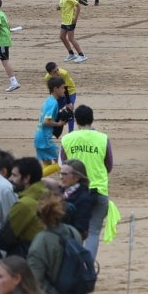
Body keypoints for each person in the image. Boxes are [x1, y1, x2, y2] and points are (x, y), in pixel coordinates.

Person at [60, 104, 113, 257]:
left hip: (75, 191)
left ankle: (74, 263)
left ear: (76, 120)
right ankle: (87, 265)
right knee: (93, 232)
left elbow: (63, 163)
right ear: (92, 119)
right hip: (99, 190)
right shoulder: (103, 138)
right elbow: (109, 165)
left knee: (73, 231)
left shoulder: (67, 139)